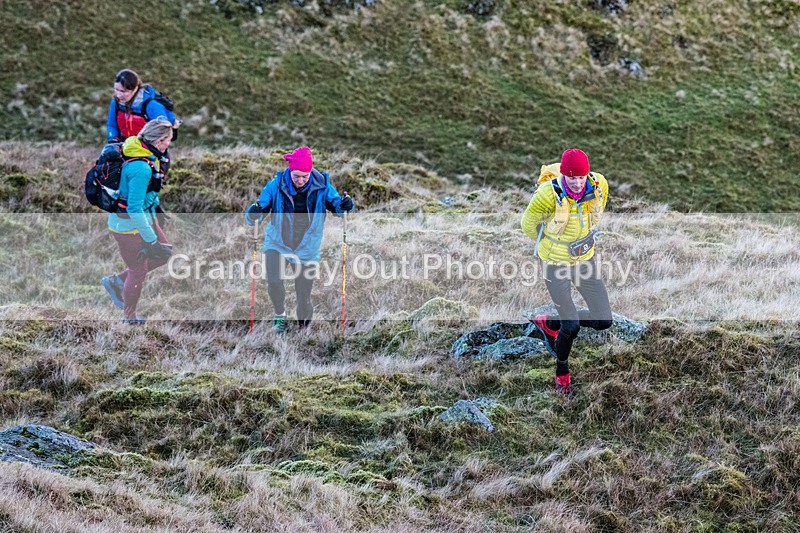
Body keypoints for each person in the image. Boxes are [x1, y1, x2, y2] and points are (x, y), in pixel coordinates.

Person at [521, 148, 612, 398]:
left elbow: (597, 212)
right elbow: (528, 224)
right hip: (555, 264)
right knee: (571, 327)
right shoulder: (548, 195)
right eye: (571, 177)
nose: (576, 182)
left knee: (604, 320)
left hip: (585, 260)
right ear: (563, 175)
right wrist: (549, 245)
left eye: (580, 176)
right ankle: (562, 374)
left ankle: (549, 323)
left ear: (587, 173)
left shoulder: (599, 184)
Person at [244, 146, 354, 334]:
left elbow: (338, 208)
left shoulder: (323, 185)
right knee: (274, 282)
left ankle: (303, 330)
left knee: (303, 296)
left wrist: (345, 206)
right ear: (290, 170)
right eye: (297, 176)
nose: (301, 180)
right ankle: (280, 316)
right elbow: (256, 211)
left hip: (307, 248)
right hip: (277, 242)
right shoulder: (275, 185)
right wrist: (254, 213)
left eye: (305, 175)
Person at [102, 119, 174, 325]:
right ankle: (129, 318)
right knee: (138, 269)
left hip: (144, 217)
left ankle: (115, 281)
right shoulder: (141, 167)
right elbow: (133, 208)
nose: (169, 144)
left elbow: (146, 193)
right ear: (158, 140)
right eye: (168, 140)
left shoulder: (146, 153)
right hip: (127, 225)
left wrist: (156, 207)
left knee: (164, 252)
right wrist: (150, 240)